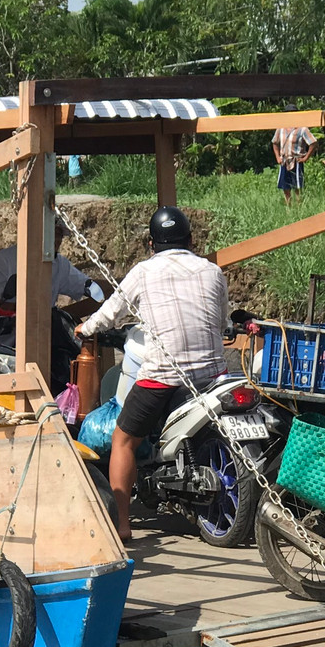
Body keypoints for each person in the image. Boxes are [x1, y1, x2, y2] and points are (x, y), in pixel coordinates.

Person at [75, 206, 228, 542]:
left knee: (123, 440)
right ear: (190, 240)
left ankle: (123, 524)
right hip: (213, 375)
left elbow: (110, 313)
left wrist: (85, 327)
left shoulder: (144, 272)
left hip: (163, 375)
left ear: (150, 244)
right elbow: (221, 322)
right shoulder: (212, 271)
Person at [0, 220, 102, 308]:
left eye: (59, 234)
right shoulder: (3, 261)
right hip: (5, 336)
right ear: (35, 233)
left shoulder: (59, 263)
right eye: (51, 233)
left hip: (46, 333)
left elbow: (84, 286)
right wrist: (23, 312)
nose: (57, 239)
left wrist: (115, 288)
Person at [271, 125, 316, 206]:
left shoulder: (302, 129)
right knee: (285, 187)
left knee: (297, 187)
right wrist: (278, 157)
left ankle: (299, 208)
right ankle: (289, 208)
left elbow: (313, 143)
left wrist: (305, 158)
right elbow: (275, 142)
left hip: (296, 161)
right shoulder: (281, 128)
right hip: (284, 161)